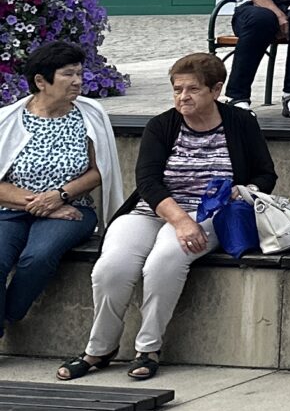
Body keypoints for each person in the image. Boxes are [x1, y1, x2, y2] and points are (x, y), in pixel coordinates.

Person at [58, 53, 275, 383]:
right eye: (177, 89)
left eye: (193, 89)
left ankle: (148, 348)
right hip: (154, 209)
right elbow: (147, 182)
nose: (183, 97)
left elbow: (266, 174)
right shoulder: (161, 125)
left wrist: (245, 190)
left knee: (164, 262)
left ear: (216, 90)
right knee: (111, 267)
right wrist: (180, 220)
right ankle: (99, 349)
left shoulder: (240, 122)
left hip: (209, 212)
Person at [0, 40, 119, 347]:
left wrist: (60, 196)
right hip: (11, 210)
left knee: (37, 256)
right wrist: (43, 203)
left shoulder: (89, 115)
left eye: (79, 73)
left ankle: (9, 314)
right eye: (68, 74)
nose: (78, 81)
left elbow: (99, 170)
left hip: (74, 209)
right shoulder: (8, 119)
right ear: (41, 81)